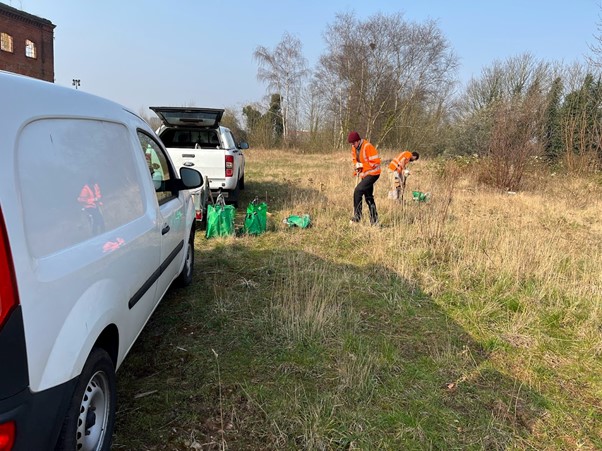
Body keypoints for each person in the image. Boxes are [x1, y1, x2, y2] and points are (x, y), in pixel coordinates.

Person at [348, 131, 381, 225]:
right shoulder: (354, 147)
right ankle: (375, 221)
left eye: (354, 143)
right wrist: (357, 166)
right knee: (369, 197)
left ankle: (357, 217)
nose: (353, 145)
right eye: (351, 143)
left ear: (358, 140)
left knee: (358, 191)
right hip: (365, 174)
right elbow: (355, 159)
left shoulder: (367, 146)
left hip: (373, 173)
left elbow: (375, 163)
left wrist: (362, 166)